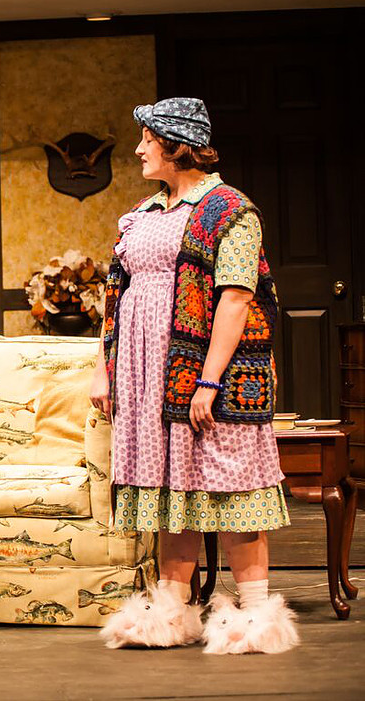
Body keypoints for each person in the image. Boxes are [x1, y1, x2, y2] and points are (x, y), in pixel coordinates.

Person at [90, 97, 298, 654]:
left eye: (147, 140)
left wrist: (208, 380)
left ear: (176, 144)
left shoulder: (230, 210)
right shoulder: (143, 213)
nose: (139, 150)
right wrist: (102, 370)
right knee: (170, 491)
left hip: (206, 371)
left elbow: (236, 298)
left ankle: (255, 617)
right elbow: (116, 296)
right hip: (144, 374)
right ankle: (170, 612)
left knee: (232, 487)